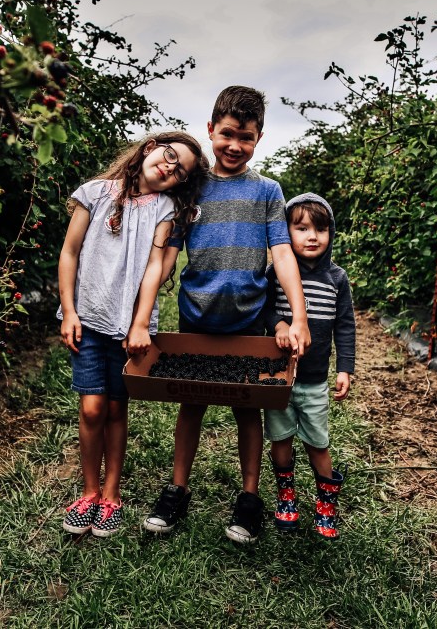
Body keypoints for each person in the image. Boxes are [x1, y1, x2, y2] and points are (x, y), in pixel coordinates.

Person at [141, 85, 311, 544]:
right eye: (228, 134)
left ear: (259, 139)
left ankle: (249, 497)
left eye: (246, 137)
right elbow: (166, 256)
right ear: (211, 130)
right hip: (196, 318)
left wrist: (298, 317)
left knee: (247, 410)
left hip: (248, 322)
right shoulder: (192, 188)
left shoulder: (268, 191)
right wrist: (142, 315)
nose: (235, 145)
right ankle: (177, 490)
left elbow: (282, 253)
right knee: (191, 404)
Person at [57, 131, 209, 538]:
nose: (171, 168)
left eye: (181, 172)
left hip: (127, 327)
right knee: (91, 408)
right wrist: (69, 311)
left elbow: (155, 268)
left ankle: (111, 495)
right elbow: (69, 252)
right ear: (150, 148)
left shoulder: (164, 208)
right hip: (87, 318)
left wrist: (140, 323)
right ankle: (89, 492)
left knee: (115, 408)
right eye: (170, 156)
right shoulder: (94, 193)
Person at [263, 193, 355, 539]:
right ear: (286, 232)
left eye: (320, 229)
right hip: (279, 377)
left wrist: (344, 368)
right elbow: (263, 307)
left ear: (331, 232)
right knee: (281, 437)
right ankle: (286, 494)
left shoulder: (337, 278)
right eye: (301, 229)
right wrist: (279, 324)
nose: (312, 236)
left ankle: (326, 503)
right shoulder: (277, 273)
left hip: (315, 380)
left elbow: (345, 325)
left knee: (318, 442)